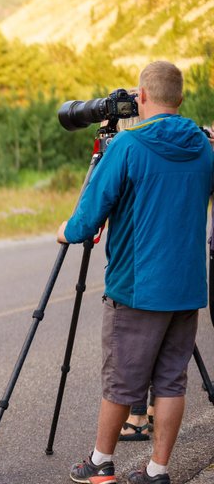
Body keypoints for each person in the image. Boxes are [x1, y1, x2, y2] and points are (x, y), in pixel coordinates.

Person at [58, 61, 214, 484]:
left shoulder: (126, 147)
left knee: (121, 381)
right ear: (180, 100)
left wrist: (66, 231)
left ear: (141, 97)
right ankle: (157, 470)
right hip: (186, 288)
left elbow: (88, 218)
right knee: (170, 382)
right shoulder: (204, 147)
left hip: (136, 288)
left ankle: (100, 462)